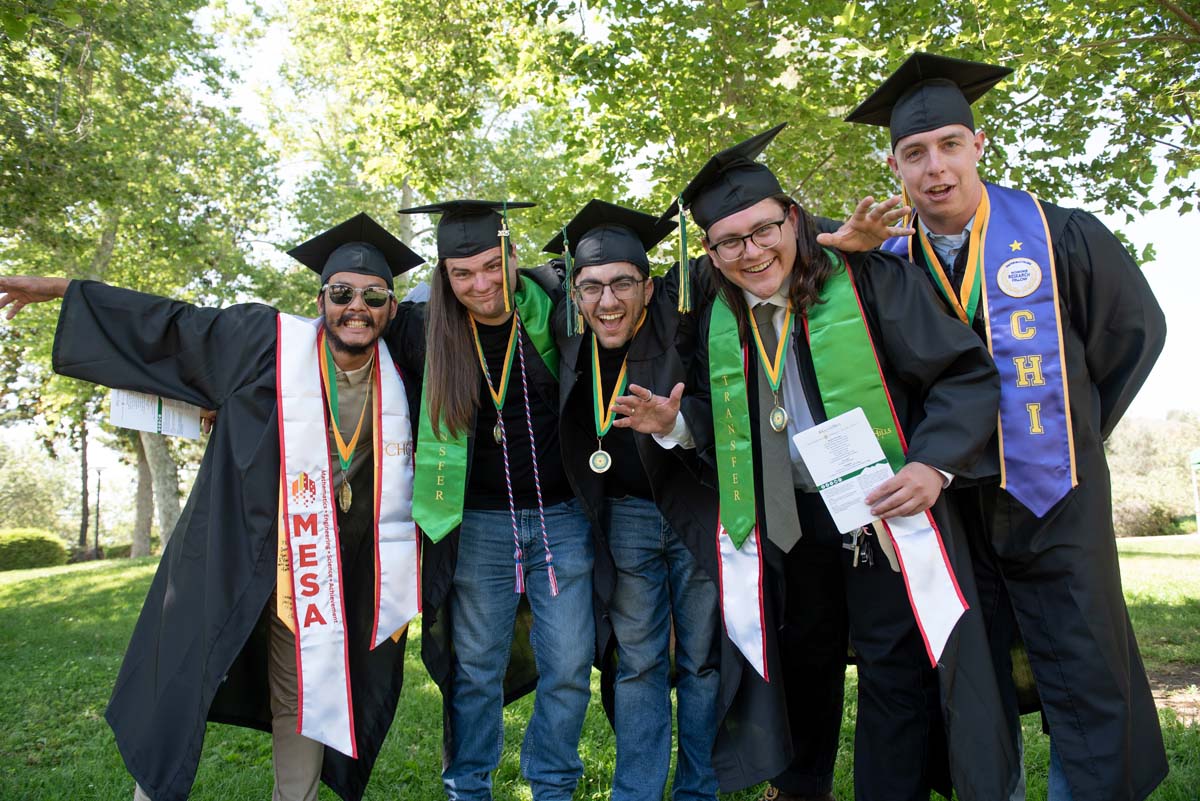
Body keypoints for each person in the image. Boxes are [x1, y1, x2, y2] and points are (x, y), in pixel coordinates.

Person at [640, 124, 1018, 801]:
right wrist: (676, 425)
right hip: (788, 521)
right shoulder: (710, 314)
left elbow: (964, 375)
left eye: (764, 230)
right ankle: (798, 790)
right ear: (710, 251)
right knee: (801, 668)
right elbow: (714, 413)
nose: (753, 252)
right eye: (731, 241)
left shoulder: (867, 279)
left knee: (892, 669)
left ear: (794, 220)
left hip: (880, 512)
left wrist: (933, 464)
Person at [0, 213, 425, 801]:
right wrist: (57, 289)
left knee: (308, 690)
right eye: (342, 293)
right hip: (232, 547)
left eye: (373, 295)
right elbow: (171, 327)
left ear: (392, 308)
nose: (357, 306)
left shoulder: (405, 369)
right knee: (181, 677)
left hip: (317, 574)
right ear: (319, 298)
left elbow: (480, 307)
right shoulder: (263, 342)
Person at [845, 51, 1169, 801]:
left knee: (1084, 658)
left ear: (979, 145)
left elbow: (1131, 335)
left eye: (950, 145)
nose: (935, 169)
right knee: (972, 670)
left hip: (1056, 491)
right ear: (894, 164)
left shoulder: (1062, 238)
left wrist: (1072, 426)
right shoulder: (888, 263)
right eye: (914, 153)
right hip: (951, 504)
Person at [397, 200, 594, 801]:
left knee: (566, 665)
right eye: (462, 274)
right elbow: (335, 344)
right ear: (444, 277)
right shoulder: (421, 327)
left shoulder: (561, 307)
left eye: (492, 265)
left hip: (562, 516)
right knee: (477, 669)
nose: (481, 285)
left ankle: (553, 783)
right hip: (478, 523)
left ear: (513, 254)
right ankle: (468, 786)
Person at [542, 199, 722, 801]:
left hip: (695, 510)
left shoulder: (683, 327)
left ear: (648, 287)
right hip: (625, 522)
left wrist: (674, 422)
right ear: (574, 294)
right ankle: (637, 792)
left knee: (700, 659)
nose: (607, 300)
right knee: (639, 662)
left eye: (622, 283)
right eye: (590, 287)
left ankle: (698, 790)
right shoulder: (569, 344)